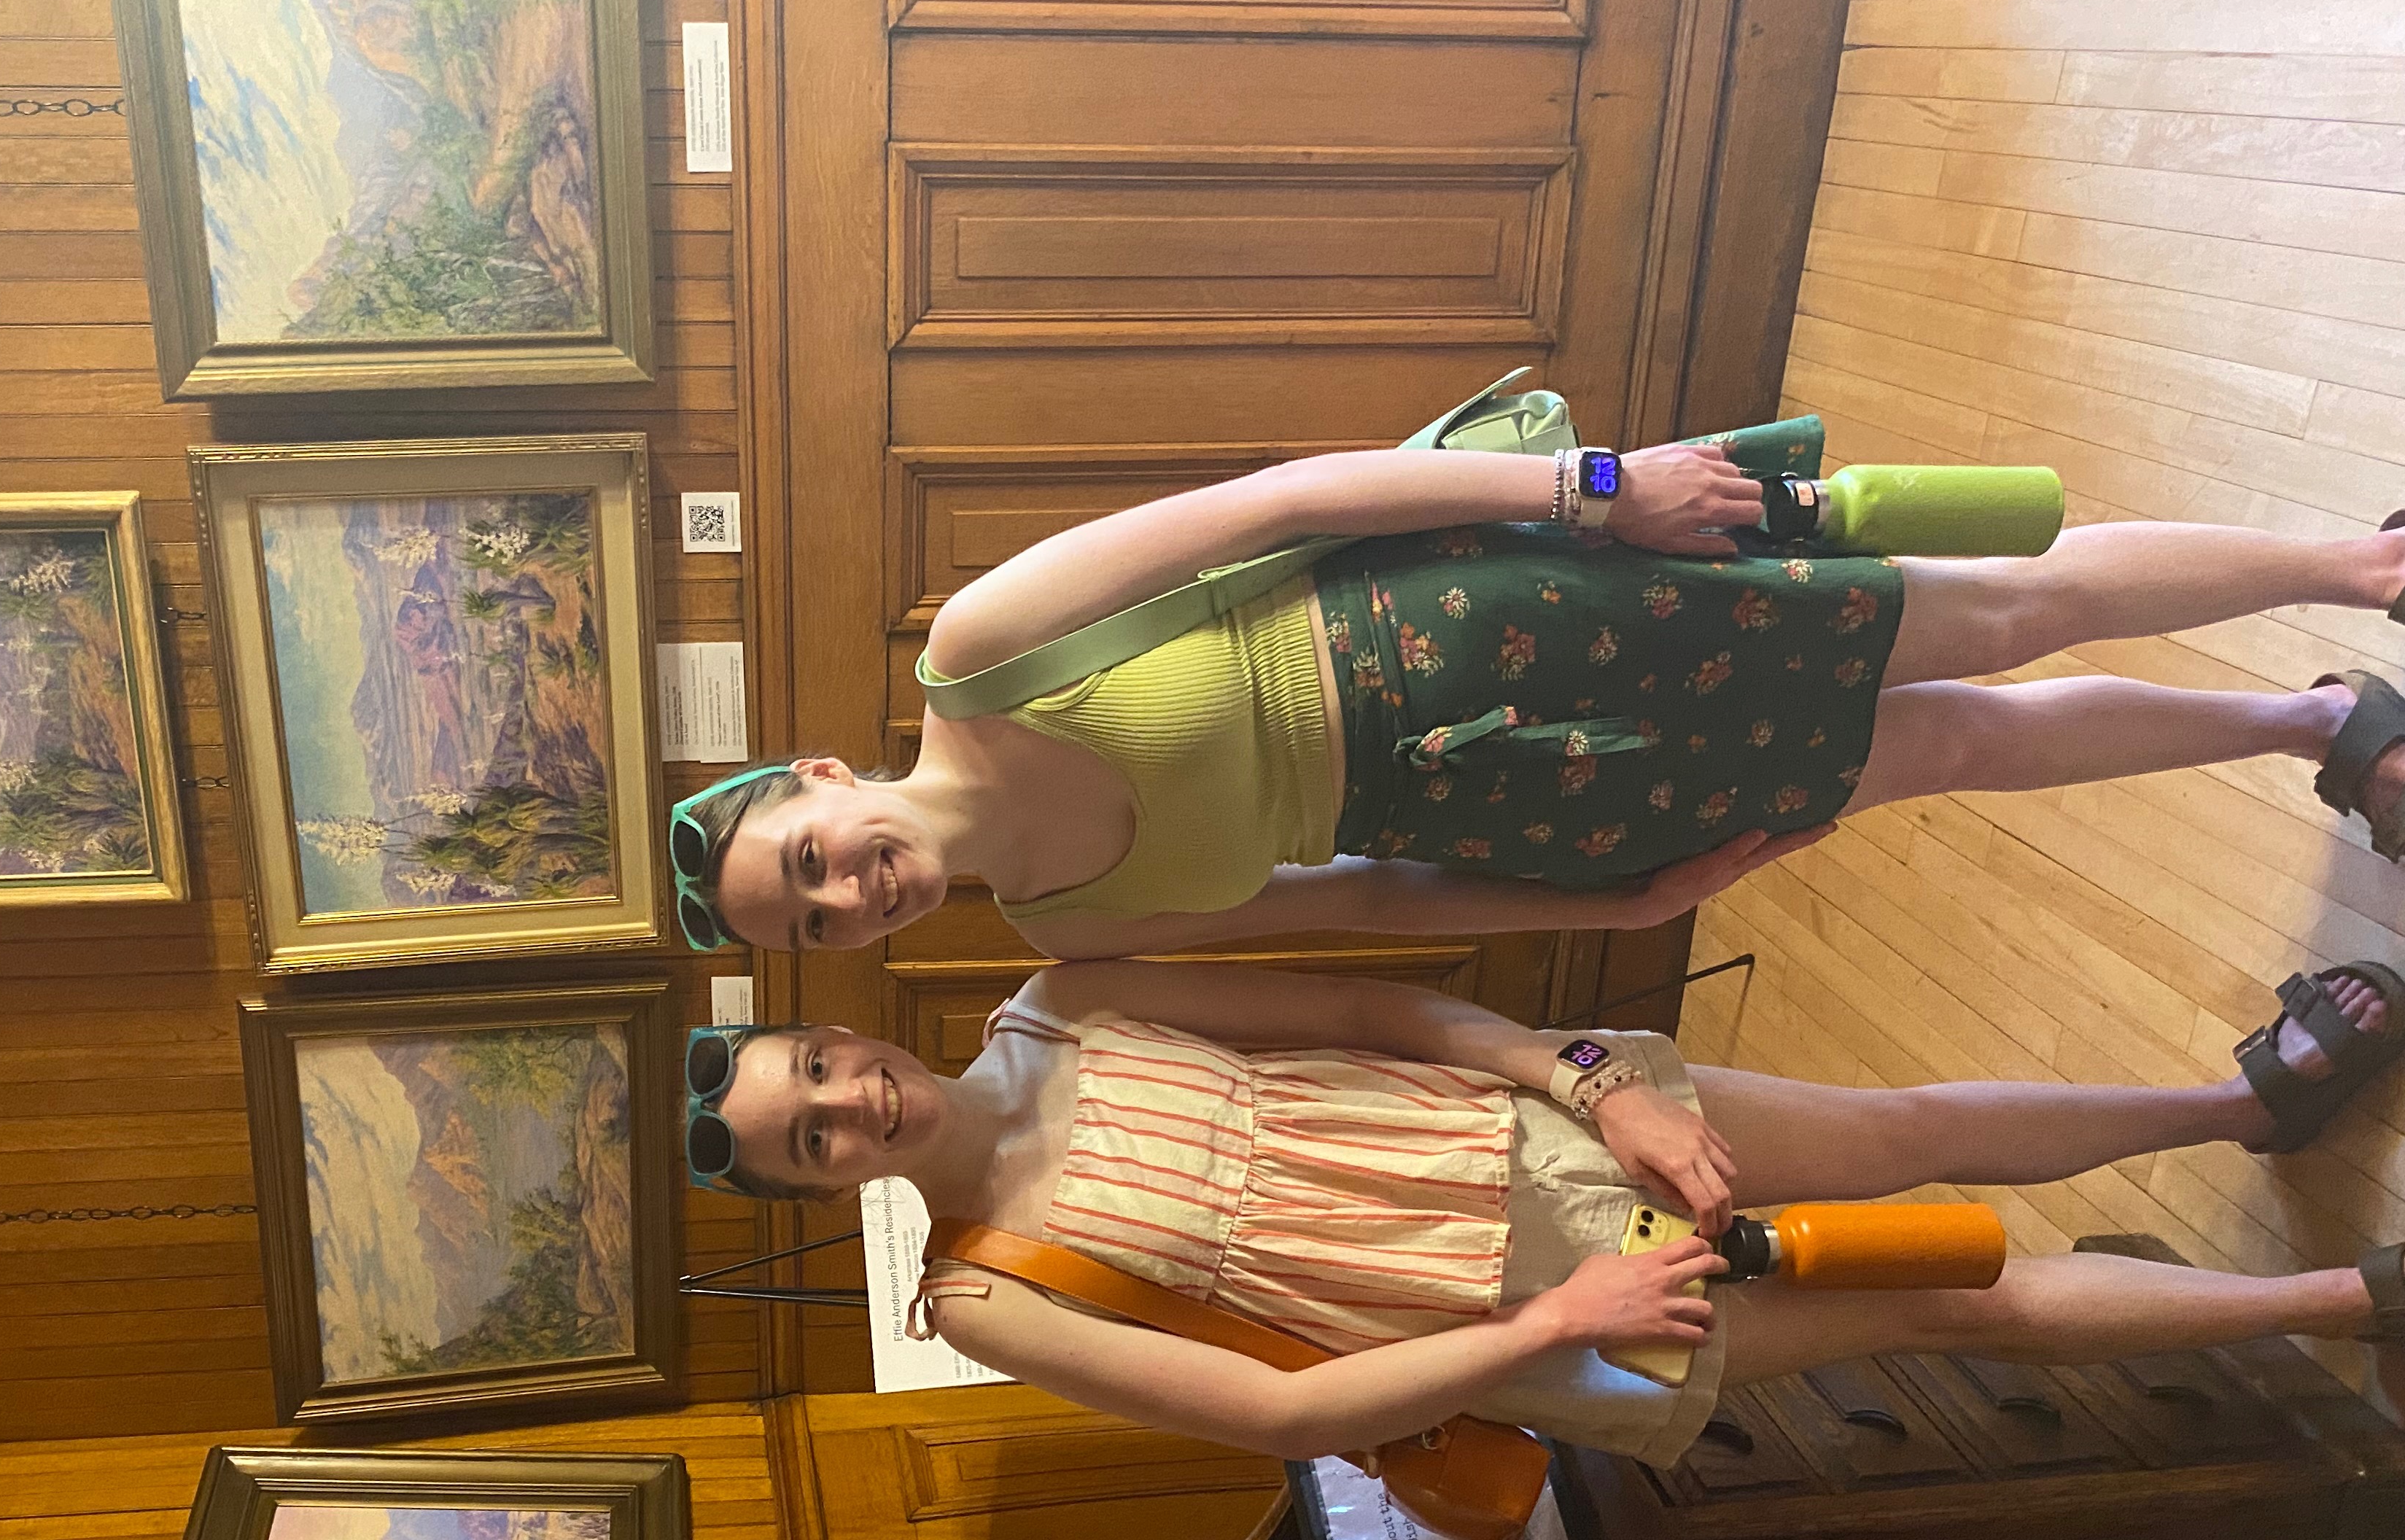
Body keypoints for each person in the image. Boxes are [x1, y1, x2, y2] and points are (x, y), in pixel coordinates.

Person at [668, 432, 2405, 959]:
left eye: (811, 853)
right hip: (1518, 801)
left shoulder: (980, 650)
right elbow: (1372, 908)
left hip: (1509, 620)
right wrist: (1617, 902)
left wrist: (1599, 491)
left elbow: (1287, 503)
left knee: (1981, 618)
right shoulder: (1070, 931)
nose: (849, 886)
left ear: (825, 775)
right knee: (1937, 746)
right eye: (814, 920)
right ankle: (2316, 728)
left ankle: (2360, 566)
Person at [679, 958, 2405, 1468]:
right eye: (810, 1143)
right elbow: (1281, 1416)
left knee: (1902, 1125)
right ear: (819, 1192)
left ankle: (2246, 1106)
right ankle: (2347, 1300)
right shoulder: (981, 1296)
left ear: (844, 1031)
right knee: (1969, 1304)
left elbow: (1376, 1014)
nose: (851, 1104)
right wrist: (1553, 1329)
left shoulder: (1064, 1002)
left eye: (819, 1070)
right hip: (1543, 1309)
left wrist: (1597, 1085)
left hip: (1558, 1129)